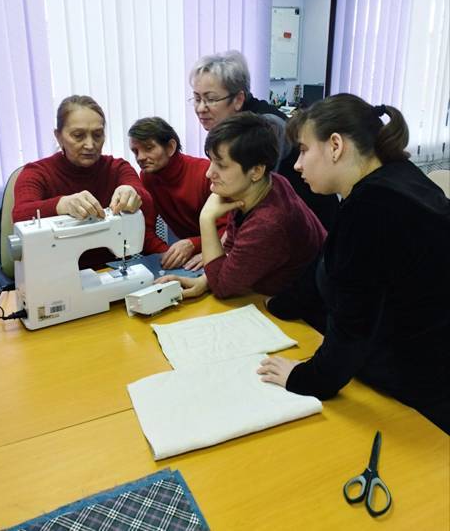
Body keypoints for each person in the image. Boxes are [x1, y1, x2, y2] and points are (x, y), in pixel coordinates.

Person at [257, 93, 450, 433]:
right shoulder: (393, 179)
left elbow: (353, 327)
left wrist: (303, 378)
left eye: (303, 150)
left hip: (419, 395)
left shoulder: (373, 207)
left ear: (335, 145)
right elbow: (331, 264)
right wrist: (278, 305)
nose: (297, 164)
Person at [159, 112, 326, 299]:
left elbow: (223, 288)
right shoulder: (265, 184)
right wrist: (205, 280)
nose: (209, 173)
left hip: (298, 313)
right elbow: (230, 249)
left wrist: (206, 219)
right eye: (211, 161)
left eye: (221, 166)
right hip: (270, 295)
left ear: (256, 171)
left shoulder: (269, 222)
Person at [189, 49, 340, 230]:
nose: (200, 108)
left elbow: (258, 198)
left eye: (211, 99)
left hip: (308, 230)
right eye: (197, 98)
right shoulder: (231, 129)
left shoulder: (267, 127)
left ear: (238, 99)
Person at [13, 95, 168, 268]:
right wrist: (61, 205)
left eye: (97, 135)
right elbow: (19, 214)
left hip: (108, 270)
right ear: (58, 136)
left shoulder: (117, 168)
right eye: (78, 136)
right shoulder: (37, 173)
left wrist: (131, 192)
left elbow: (145, 201)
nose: (90, 144)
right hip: (57, 272)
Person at [128, 116, 227, 270]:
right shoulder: (147, 177)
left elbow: (231, 230)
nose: (140, 157)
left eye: (148, 148)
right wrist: (168, 254)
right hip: (192, 257)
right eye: (135, 151)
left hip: (223, 251)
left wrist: (193, 245)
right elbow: (145, 230)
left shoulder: (206, 173)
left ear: (170, 147)